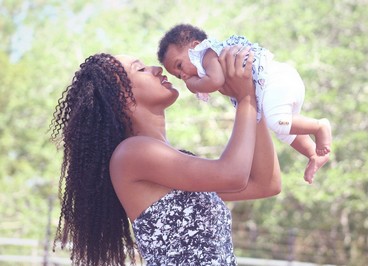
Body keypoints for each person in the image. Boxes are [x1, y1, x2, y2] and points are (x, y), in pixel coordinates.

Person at [50, 46, 281, 266]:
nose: (157, 69)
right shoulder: (132, 154)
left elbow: (265, 184)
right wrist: (245, 98)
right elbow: (232, 175)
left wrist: (252, 97)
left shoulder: (172, 163)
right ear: (120, 98)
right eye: (140, 69)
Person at [157, 24, 332, 184]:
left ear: (195, 46)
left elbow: (215, 81)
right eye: (178, 77)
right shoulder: (207, 62)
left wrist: (193, 86)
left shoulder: (206, 54)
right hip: (275, 88)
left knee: (277, 121)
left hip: (275, 80)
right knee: (284, 130)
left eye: (179, 66)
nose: (183, 76)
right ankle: (313, 154)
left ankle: (319, 126)